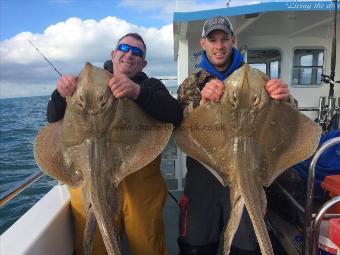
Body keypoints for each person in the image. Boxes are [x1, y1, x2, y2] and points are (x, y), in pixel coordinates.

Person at [47, 32, 183, 255]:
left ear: (143, 62)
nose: (129, 54)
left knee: (147, 245)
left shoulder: (150, 85)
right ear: (114, 54)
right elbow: (53, 117)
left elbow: (175, 114)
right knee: (94, 245)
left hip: (139, 184)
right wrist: (61, 93)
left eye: (137, 52)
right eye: (124, 49)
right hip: (90, 179)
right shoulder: (83, 84)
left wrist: (137, 92)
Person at [177, 16, 296, 255]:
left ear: (233, 40)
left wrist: (286, 98)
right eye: (213, 40)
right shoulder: (192, 83)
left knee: (246, 246)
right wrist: (201, 103)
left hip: (249, 171)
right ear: (203, 44)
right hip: (205, 173)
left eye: (224, 39)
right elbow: (177, 121)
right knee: (196, 244)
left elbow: (290, 119)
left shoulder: (258, 80)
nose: (219, 46)